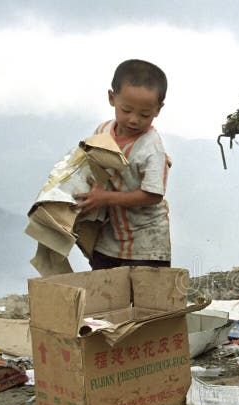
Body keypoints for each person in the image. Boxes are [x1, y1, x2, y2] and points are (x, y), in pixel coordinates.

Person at [74, 59, 172, 270]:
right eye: (126, 110)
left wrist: (105, 198)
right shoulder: (102, 131)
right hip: (109, 238)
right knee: (105, 295)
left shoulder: (151, 148)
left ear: (158, 109)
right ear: (112, 98)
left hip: (146, 242)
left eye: (144, 114)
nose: (134, 119)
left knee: (145, 299)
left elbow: (153, 194)